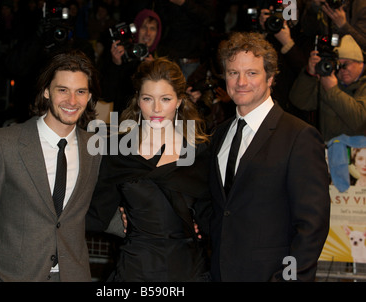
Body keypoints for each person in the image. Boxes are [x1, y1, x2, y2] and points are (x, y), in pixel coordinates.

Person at [0, 49, 102, 282]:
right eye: (62, 90)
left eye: (80, 91)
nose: (72, 101)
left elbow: (98, 209)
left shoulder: (94, 148)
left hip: (73, 275)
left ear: (89, 97)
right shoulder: (4, 143)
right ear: (46, 91)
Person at [209, 31, 330, 282]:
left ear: (271, 77)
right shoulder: (219, 135)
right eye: (233, 72)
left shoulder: (300, 136)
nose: (241, 81)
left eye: (252, 73)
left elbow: (312, 228)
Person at [86, 57, 213, 282]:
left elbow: (216, 212)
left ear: (180, 101)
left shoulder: (201, 153)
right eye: (147, 99)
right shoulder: (116, 151)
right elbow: (94, 212)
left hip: (188, 270)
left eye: (165, 99)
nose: (156, 109)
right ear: (137, 100)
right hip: (135, 268)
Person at [289, 34, 366, 142]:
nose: (342, 69)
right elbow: (299, 102)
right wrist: (309, 75)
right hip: (329, 150)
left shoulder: (333, 87)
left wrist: (333, 91)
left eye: (346, 64)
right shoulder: (328, 82)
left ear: (360, 64)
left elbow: (360, 121)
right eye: (338, 64)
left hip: (360, 153)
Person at [100, 8, 162, 116]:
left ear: (158, 33)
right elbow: (107, 96)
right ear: (136, 30)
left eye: (152, 29)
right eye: (144, 27)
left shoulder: (162, 60)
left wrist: (154, 70)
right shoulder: (122, 56)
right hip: (123, 123)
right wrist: (116, 64)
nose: (148, 33)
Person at [300, 0, 366, 51]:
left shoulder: (361, 6)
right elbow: (307, 32)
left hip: (351, 61)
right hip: (326, 56)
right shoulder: (325, 3)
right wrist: (314, 8)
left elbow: (363, 45)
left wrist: (343, 26)